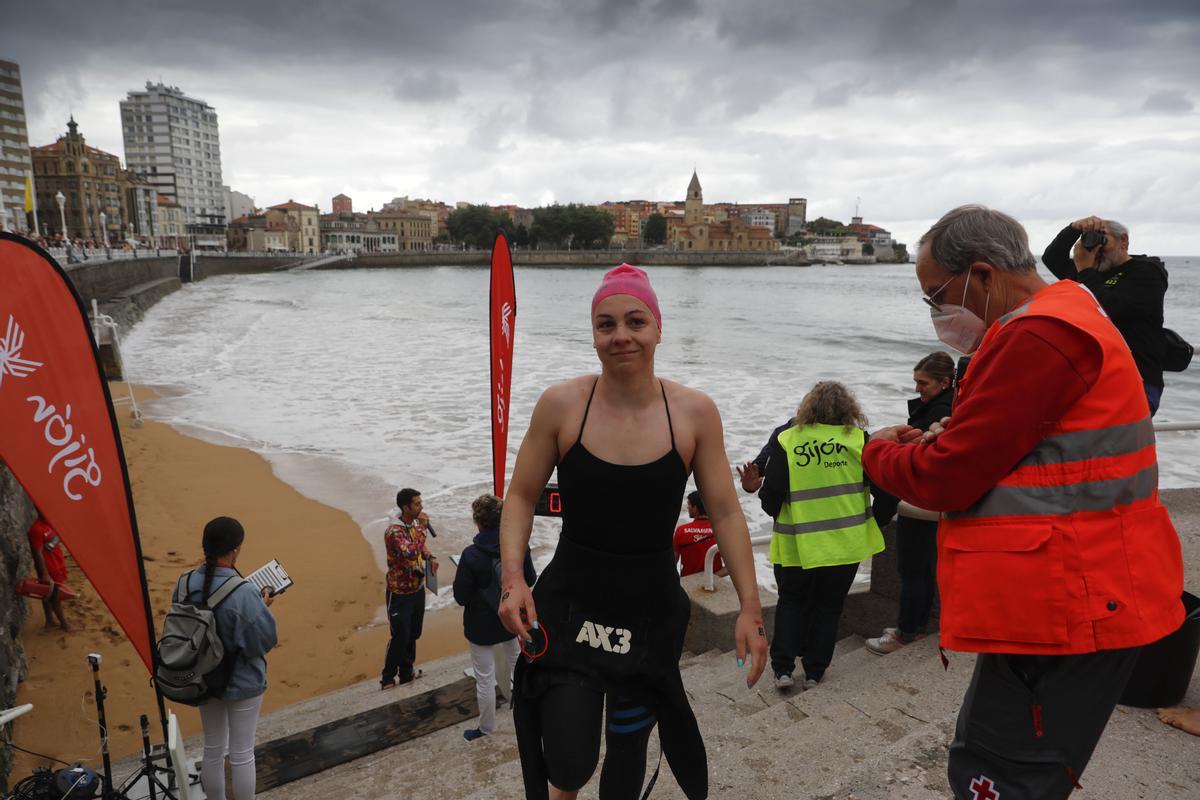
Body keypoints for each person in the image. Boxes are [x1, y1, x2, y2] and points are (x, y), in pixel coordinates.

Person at [865, 205, 1184, 799]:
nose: (937, 314)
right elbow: (1019, 446)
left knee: (1002, 775)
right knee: (1000, 760)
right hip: (1076, 588)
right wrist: (951, 436)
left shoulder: (1039, 335)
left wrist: (876, 451)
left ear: (983, 276)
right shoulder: (1068, 307)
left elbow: (946, 479)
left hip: (1072, 597)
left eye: (937, 296)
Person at [497, 264, 768, 800]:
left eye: (635, 321)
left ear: (658, 328)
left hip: (647, 613)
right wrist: (512, 577)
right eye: (606, 324)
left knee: (626, 758)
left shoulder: (693, 413)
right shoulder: (563, 404)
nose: (621, 335)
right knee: (569, 763)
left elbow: (728, 513)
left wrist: (751, 607)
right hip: (571, 603)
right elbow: (522, 495)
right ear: (593, 333)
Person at [758, 381, 889, 692]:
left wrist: (786, 515)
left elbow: (770, 496)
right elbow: (887, 491)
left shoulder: (789, 439)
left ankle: (783, 670)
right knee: (829, 606)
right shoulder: (859, 440)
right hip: (846, 543)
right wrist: (874, 521)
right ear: (849, 410)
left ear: (808, 407)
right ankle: (815, 672)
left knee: (791, 601)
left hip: (797, 543)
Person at [865, 351, 956, 655]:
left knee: (912, 571)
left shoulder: (938, 413)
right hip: (936, 506)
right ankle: (916, 627)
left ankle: (906, 632)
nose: (917, 388)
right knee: (926, 570)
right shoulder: (950, 405)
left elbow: (918, 463)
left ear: (945, 382)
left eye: (923, 383)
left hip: (920, 506)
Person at [187, 517, 278, 800]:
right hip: (241, 681)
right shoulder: (244, 591)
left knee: (213, 749)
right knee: (241, 753)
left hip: (203, 676)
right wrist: (262, 607)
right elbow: (263, 641)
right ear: (235, 550)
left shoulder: (186, 582)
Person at [1041, 216, 1168, 415]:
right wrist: (1074, 229)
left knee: (1116, 444)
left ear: (1123, 241)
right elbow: (1051, 258)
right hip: (1092, 377)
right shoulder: (1091, 271)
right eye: (1093, 240)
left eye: (1103, 240)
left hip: (1136, 378)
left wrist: (1085, 269)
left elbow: (1108, 310)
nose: (1097, 249)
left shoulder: (1147, 272)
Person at [453, 493, 537, 742]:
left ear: (477, 522)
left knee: (485, 679)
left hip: (480, 626)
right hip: (511, 620)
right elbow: (529, 580)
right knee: (520, 668)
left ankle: (486, 728)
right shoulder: (520, 546)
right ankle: (530, 717)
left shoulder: (470, 555)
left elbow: (460, 596)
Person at [381, 487, 438, 689]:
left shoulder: (413, 525)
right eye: (417, 504)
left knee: (413, 633)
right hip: (399, 592)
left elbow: (420, 548)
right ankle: (387, 676)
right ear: (405, 507)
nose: (421, 507)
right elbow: (409, 553)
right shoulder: (393, 531)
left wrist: (430, 557)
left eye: (421, 503)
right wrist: (423, 529)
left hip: (417, 588)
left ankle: (406, 672)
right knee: (400, 635)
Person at [26, 512, 70, 631]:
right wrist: (45, 573)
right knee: (55, 596)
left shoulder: (50, 523)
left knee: (46, 593)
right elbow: (37, 553)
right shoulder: (36, 529)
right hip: (49, 568)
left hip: (58, 563)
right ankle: (64, 624)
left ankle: (50, 621)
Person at [672, 491, 726, 578]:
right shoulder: (721, 531)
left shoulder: (681, 531)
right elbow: (731, 567)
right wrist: (709, 578)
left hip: (689, 585)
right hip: (714, 585)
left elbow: (671, 564)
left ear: (695, 508)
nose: (687, 507)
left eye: (689, 504)